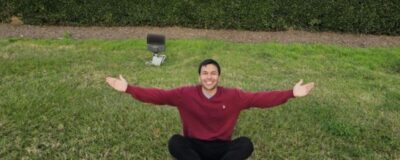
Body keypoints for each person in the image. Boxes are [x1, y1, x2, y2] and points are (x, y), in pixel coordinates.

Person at [106, 59, 315, 160]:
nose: (209, 77)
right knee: (175, 142)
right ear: (199, 76)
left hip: (222, 148)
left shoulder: (234, 96)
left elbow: (260, 99)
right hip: (193, 147)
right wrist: (128, 89)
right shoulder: (184, 94)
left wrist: (291, 93)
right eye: (205, 73)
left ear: (219, 77)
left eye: (213, 73)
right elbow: (159, 96)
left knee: (245, 144)